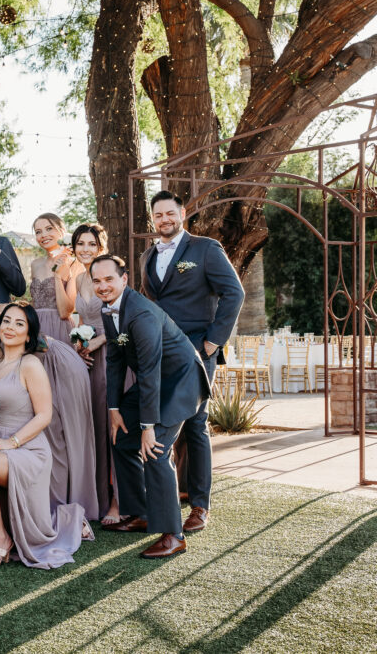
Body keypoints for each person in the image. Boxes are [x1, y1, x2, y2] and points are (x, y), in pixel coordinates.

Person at [91, 255, 210, 559]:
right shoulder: (109, 309)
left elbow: (149, 371)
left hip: (180, 383)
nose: (103, 286)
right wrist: (114, 408)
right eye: (97, 281)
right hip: (154, 382)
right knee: (121, 438)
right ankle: (140, 513)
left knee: (154, 449)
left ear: (124, 279)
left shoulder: (140, 314)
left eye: (109, 279)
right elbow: (116, 360)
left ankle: (174, 535)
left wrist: (147, 427)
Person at [139, 191, 244, 533]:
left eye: (170, 213)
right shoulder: (147, 256)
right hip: (161, 352)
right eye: (158, 215)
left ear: (182, 213)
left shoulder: (205, 248)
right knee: (168, 420)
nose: (164, 220)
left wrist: (213, 342)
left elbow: (235, 293)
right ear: (153, 219)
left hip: (199, 353)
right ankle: (175, 492)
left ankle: (200, 505)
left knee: (196, 424)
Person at [0, 274, 97, 520]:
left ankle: (70, 504)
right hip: (27, 378)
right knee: (47, 436)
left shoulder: (7, 312)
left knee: (61, 435)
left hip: (53, 364)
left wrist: (5, 324)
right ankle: (50, 507)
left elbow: (37, 344)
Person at [0, 304, 90, 570]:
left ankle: (0, 538)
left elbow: (44, 415)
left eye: (19, 323)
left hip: (28, 449)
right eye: (7, 321)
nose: (10, 327)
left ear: (29, 333)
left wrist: (11, 443)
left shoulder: (30, 364)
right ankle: (66, 521)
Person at [70, 223, 119, 523]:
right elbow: (80, 317)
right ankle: (98, 498)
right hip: (86, 360)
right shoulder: (77, 278)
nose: (85, 249)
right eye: (80, 244)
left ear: (100, 247)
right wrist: (79, 344)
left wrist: (97, 342)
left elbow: (121, 316)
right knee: (95, 428)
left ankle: (119, 501)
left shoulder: (109, 274)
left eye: (91, 244)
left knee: (112, 427)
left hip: (111, 354)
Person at [28, 213, 83, 343]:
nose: (43, 235)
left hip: (59, 328)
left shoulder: (73, 263)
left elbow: (66, 312)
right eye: (38, 232)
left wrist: (57, 277)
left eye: (49, 229)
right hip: (35, 328)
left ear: (62, 231)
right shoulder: (35, 264)